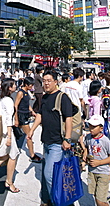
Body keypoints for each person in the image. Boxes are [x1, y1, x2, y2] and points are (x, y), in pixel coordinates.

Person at [27, 70, 73, 205]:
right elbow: (40, 115)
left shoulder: (62, 97)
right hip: (46, 141)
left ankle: (58, 201)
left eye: (49, 81)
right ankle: (51, 199)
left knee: (49, 175)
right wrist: (32, 130)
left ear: (55, 82)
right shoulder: (45, 97)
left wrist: (67, 139)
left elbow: (68, 119)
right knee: (50, 173)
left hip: (58, 142)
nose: (46, 83)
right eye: (44, 81)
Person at [0, 78, 20, 193]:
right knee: (12, 155)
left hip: (2, 130)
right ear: (9, 88)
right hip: (7, 132)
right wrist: (10, 137)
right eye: (13, 85)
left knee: (3, 156)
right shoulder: (8, 101)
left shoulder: (1, 98)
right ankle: (9, 182)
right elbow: (8, 119)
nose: (15, 86)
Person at [83, 115, 110, 206]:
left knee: (100, 200)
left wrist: (99, 162)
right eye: (90, 126)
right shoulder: (88, 137)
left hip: (103, 172)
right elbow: (86, 147)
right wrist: (85, 153)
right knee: (95, 195)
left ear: (101, 128)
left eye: (94, 127)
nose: (91, 129)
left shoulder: (105, 141)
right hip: (92, 172)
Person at [14, 76, 41, 163]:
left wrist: (32, 111)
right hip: (21, 115)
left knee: (18, 134)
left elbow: (27, 104)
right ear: (26, 84)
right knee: (29, 135)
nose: (31, 87)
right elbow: (16, 105)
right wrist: (16, 119)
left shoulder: (27, 92)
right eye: (30, 85)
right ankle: (32, 155)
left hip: (26, 114)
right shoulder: (20, 93)